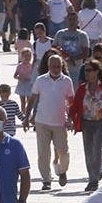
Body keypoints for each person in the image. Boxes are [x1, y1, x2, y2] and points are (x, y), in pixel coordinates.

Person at [69, 60, 102, 191]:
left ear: (97, 71)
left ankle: (94, 180)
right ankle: (91, 176)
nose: (86, 73)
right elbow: (75, 105)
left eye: (89, 70)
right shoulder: (82, 88)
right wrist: (70, 119)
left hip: (101, 122)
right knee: (88, 152)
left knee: (96, 149)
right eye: (85, 70)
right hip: (86, 123)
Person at [29, 53, 74, 190]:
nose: (55, 69)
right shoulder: (40, 80)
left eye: (58, 66)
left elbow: (71, 102)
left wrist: (70, 119)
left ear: (62, 66)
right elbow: (33, 98)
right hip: (42, 121)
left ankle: (62, 170)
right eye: (53, 66)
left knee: (63, 151)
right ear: (48, 66)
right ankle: (46, 179)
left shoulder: (67, 81)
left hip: (60, 122)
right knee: (43, 153)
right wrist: (27, 116)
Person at [51, 11, 90, 81]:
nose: (72, 22)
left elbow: (86, 53)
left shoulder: (82, 35)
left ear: (78, 21)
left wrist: (72, 58)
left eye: (74, 19)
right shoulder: (60, 33)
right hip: (61, 69)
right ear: (66, 20)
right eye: (70, 19)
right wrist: (61, 54)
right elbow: (53, 49)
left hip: (76, 69)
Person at [13, 50, 36, 125]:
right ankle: (24, 117)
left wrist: (31, 79)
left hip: (29, 85)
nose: (27, 58)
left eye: (29, 56)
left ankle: (29, 116)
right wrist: (19, 77)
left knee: (29, 102)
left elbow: (34, 75)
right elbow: (15, 75)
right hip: (22, 85)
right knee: (23, 102)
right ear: (21, 57)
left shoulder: (32, 66)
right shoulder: (20, 66)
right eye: (25, 56)